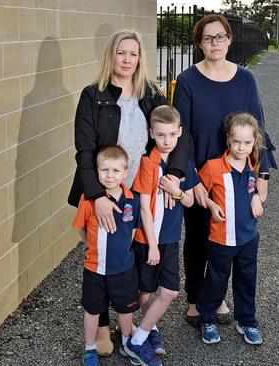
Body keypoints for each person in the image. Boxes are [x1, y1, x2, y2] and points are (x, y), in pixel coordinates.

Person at [68, 29, 190, 355]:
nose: (127, 59)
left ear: (140, 58)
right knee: (102, 259)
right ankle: (105, 328)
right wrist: (98, 199)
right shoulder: (93, 95)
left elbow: (178, 133)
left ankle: (139, 326)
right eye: (122, 53)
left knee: (130, 264)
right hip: (106, 190)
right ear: (112, 55)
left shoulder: (150, 93)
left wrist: (175, 176)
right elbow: (84, 151)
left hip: (139, 195)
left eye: (133, 54)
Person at [172, 14, 277, 326]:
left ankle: (217, 297)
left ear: (230, 39)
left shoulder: (245, 79)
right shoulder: (188, 80)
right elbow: (182, 135)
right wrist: (191, 180)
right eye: (208, 38)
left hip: (237, 178)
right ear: (199, 44)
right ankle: (194, 299)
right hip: (202, 176)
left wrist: (262, 176)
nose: (215, 43)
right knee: (198, 239)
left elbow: (258, 129)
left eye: (220, 37)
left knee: (229, 242)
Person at [126, 105, 199, 364]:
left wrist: (175, 190)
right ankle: (151, 330)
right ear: (152, 134)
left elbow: (189, 201)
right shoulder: (148, 163)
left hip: (169, 239)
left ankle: (137, 339)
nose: (166, 141)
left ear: (179, 133)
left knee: (169, 292)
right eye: (160, 135)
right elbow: (144, 208)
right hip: (149, 240)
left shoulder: (182, 165)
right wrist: (153, 245)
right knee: (144, 291)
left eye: (171, 134)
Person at [197, 113, 267, 345]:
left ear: (254, 141)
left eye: (247, 143)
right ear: (228, 139)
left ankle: (246, 321)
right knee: (216, 279)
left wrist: (257, 196)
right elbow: (197, 191)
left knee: (247, 279)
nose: (241, 147)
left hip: (248, 237)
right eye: (236, 141)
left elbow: (260, 191)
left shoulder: (254, 165)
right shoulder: (213, 166)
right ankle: (207, 319)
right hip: (221, 238)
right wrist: (211, 204)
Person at [72, 146, 142, 366]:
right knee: (92, 310)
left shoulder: (132, 199)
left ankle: (126, 341)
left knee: (125, 308)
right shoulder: (89, 199)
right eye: (104, 170)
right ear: (97, 171)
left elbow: (132, 230)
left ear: (125, 173)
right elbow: (81, 228)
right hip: (95, 268)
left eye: (115, 170)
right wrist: (93, 246)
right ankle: (90, 348)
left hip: (123, 268)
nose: (109, 175)